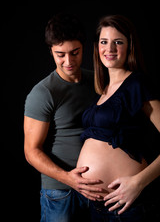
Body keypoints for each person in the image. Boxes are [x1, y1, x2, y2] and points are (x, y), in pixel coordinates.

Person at [77, 14, 160, 221]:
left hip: (126, 208)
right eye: (104, 42)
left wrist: (138, 183)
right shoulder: (103, 91)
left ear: (129, 46)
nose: (110, 49)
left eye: (118, 42)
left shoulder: (138, 84)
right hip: (94, 207)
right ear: (97, 47)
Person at [24, 12, 102, 222]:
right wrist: (68, 179)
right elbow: (31, 152)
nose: (68, 61)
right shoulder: (43, 93)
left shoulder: (97, 81)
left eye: (74, 52)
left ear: (83, 47)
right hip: (61, 192)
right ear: (51, 51)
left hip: (98, 190)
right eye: (61, 54)